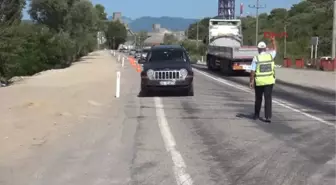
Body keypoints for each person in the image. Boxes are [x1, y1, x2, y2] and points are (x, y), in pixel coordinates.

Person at [249, 37, 277, 123]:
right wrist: (273, 41)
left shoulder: (256, 58)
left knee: (258, 98)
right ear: (265, 49)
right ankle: (267, 117)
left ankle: (256, 115)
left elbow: (252, 71)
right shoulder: (270, 55)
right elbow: (275, 49)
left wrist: (251, 81)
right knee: (268, 99)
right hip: (269, 81)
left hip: (259, 82)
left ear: (258, 49)